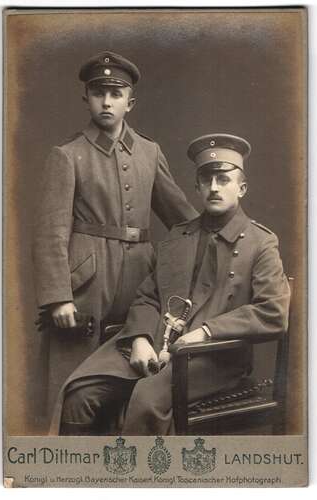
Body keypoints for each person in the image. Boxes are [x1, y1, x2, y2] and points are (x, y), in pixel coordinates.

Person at [49, 133, 291, 436]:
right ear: (197, 186)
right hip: (153, 345)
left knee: (146, 399)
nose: (214, 187)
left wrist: (205, 332)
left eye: (224, 180)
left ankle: (137, 480)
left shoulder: (261, 242)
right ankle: (77, 478)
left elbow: (272, 312)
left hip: (213, 357)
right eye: (207, 179)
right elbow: (148, 296)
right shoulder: (179, 236)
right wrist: (139, 338)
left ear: (241, 188)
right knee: (80, 393)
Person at [32, 51, 197, 414]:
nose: (107, 101)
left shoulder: (149, 152)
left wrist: (225, 238)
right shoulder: (67, 154)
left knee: (135, 374)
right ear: (86, 98)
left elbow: (182, 218)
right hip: (88, 282)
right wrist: (58, 296)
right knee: (76, 378)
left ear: (130, 102)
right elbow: (50, 233)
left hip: (141, 277)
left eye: (116, 93)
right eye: (98, 92)